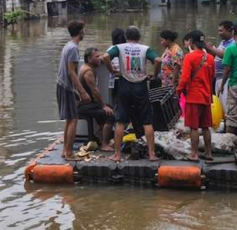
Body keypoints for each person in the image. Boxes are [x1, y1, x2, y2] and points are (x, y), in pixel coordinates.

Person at [104, 26, 162, 162]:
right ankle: (152, 154)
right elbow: (158, 60)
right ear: (139, 37)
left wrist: (112, 71)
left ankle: (117, 154)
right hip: (140, 86)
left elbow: (105, 56)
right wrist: (155, 74)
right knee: (147, 121)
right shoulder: (145, 49)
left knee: (120, 121)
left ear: (126, 36)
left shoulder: (119, 47)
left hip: (124, 85)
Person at [177, 30, 215, 161]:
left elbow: (185, 78)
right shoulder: (210, 58)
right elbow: (212, 78)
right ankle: (208, 153)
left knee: (193, 127)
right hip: (206, 97)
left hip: (193, 96)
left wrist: (179, 90)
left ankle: (194, 154)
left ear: (192, 42)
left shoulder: (189, 57)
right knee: (205, 127)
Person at [57, 20, 91, 161]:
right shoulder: (73, 49)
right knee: (73, 120)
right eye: (84, 29)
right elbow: (71, 72)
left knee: (69, 119)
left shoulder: (68, 45)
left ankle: (65, 151)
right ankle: (69, 153)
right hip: (66, 86)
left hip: (63, 85)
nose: (85, 31)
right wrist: (82, 91)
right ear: (80, 31)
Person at [78, 47, 115, 151]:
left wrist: (103, 59)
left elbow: (102, 58)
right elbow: (95, 91)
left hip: (89, 104)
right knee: (111, 114)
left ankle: (99, 133)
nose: (100, 58)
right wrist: (103, 106)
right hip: (84, 106)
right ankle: (104, 144)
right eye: (97, 57)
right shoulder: (88, 72)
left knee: (109, 108)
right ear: (89, 59)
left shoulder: (86, 66)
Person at [206, 20, 234, 114]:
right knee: (221, 104)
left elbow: (224, 55)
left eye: (222, 31)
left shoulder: (233, 42)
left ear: (230, 30)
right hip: (218, 77)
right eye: (219, 31)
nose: (219, 33)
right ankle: (226, 124)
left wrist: (210, 48)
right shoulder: (223, 42)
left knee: (227, 104)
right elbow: (217, 56)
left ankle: (230, 126)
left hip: (226, 78)